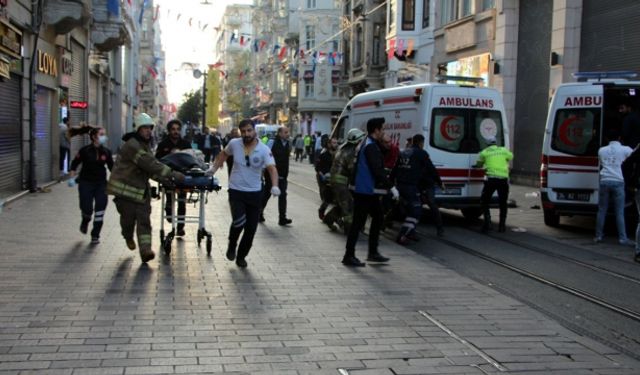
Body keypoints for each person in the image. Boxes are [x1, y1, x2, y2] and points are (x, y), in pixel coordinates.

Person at [107, 113, 185, 263]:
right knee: (128, 222)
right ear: (138, 129)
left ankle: (145, 250)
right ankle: (127, 236)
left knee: (144, 222)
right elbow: (150, 164)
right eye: (145, 128)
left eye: (150, 128)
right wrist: (172, 174)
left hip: (141, 192)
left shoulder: (144, 145)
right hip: (126, 193)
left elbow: (148, 170)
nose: (149, 131)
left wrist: (165, 180)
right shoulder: (132, 145)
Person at [210, 119, 280, 268]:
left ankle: (241, 256)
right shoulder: (235, 143)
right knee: (239, 222)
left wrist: (275, 186)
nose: (246, 134)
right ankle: (232, 244)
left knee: (251, 229)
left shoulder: (263, 149)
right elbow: (223, 154)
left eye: (249, 130)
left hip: (255, 193)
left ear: (254, 131)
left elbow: (272, 169)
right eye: (243, 131)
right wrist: (213, 169)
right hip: (236, 190)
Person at [343, 118, 392, 267]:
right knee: (358, 222)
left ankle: (372, 252)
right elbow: (377, 169)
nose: (384, 131)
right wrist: (391, 187)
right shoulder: (370, 146)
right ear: (376, 130)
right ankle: (349, 255)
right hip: (364, 190)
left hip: (365, 190)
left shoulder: (368, 142)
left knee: (377, 217)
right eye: (382, 129)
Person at [392, 134, 445, 244]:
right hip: (411, 186)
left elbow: (395, 168)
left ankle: (410, 232)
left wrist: (391, 183)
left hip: (400, 185)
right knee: (416, 210)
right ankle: (403, 233)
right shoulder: (422, 154)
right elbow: (432, 169)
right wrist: (440, 182)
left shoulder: (403, 152)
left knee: (409, 208)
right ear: (421, 143)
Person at [69, 127, 114, 244]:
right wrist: (72, 177)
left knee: (100, 209)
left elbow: (112, 168)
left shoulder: (106, 152)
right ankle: (85, 220)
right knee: (87, 208)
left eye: (104, 134)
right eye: (101, 134)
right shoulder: (85, 151)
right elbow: (74, 164)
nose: (104, 136)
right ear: (94, 137)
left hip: (101, 184)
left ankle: (95, 234)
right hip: (85, 183)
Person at [595, 130, 634, 245]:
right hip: (618, 181)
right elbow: (634, 155)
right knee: (619, 212)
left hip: (605, 180)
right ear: (620, 137)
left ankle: (598, 236)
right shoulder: (625, 149)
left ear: (607, 139)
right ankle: (622, 238)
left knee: (602, 210)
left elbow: (602, 163)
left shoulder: (601, 150)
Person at [155, 119, 192, 237]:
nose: (175, 132)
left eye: (177, 129)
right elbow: (157, 160)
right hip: (168, 176)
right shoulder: (163, 144)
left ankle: (180, 227)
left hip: (182, 176)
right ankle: (169, 213)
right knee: (170, 198)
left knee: (182, 202)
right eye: (173, 129)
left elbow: (191, 160)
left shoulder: (186, 144)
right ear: (169, 131)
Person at [327, 128, 366, 234]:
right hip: (341, 181)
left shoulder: (342, 147)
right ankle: (349, 228)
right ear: (357, 140)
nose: (362, 142)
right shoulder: (351, 151)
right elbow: (351, 169)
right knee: (348, 205)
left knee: (343, 202)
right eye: (361, 140)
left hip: (336, 180)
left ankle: (329, 218)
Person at [474, 136, 513, 233]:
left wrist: (477, 166)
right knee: (503, 203)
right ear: (496, 142)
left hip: (491, 180)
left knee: (484, 201)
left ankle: (488, 223)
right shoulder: (503, 150)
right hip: (503, 180)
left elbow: (479, 164)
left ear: (487, 143)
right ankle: (502, 226)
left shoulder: (484, 152)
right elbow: (511, 156)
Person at [261, 126, 293, 225]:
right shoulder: (272, 142)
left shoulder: (288, 143)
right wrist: (262, 170)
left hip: (283, 174)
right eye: (285, 132)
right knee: (267, 194)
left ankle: (282, 218)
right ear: (279, 133)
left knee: (283, 195)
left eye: (288, 132)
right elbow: (265, 156)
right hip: (271, 174)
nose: (288, 134)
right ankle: (259, 213)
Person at [315, 137, 338, 228]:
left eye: (336, 142)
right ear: (329, 144)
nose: (335, 144)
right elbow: (317, 167)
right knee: (328, 198)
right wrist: (322, 176)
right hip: (325, 179)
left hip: (335, 178)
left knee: (334, 198)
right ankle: (321, 211)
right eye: (333, 142)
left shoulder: (337, 154)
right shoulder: (324, 154)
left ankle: (333, 217)